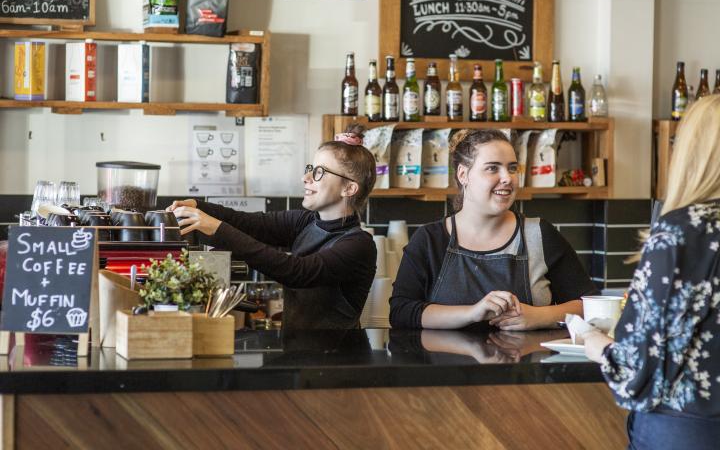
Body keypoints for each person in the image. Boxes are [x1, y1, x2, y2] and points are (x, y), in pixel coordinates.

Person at [583, 95, 720, 449]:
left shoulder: (682, 231)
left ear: (693, 154)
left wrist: (598, 347)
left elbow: (639, 362)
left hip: (688, 427)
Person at [167, 125, 377, 330]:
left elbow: (297, 272)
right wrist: (197, 205)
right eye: (310, 169)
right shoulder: (305, 222)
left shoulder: (358, 245)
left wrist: (216, 228)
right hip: (299, 355)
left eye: (320, 172)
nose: (306, 178)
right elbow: (248, 223)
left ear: (349, 188)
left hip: (339, 360)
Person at [390, 129, 597, 330]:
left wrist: (538, 316)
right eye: (492, 168)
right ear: (463, 174)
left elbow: (590, 306)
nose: (507, 178)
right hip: (445, 365)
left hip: (526, 365)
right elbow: (401, 312)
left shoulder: (539, 234)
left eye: (512, 168)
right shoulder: (429, 239)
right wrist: (472, 313)